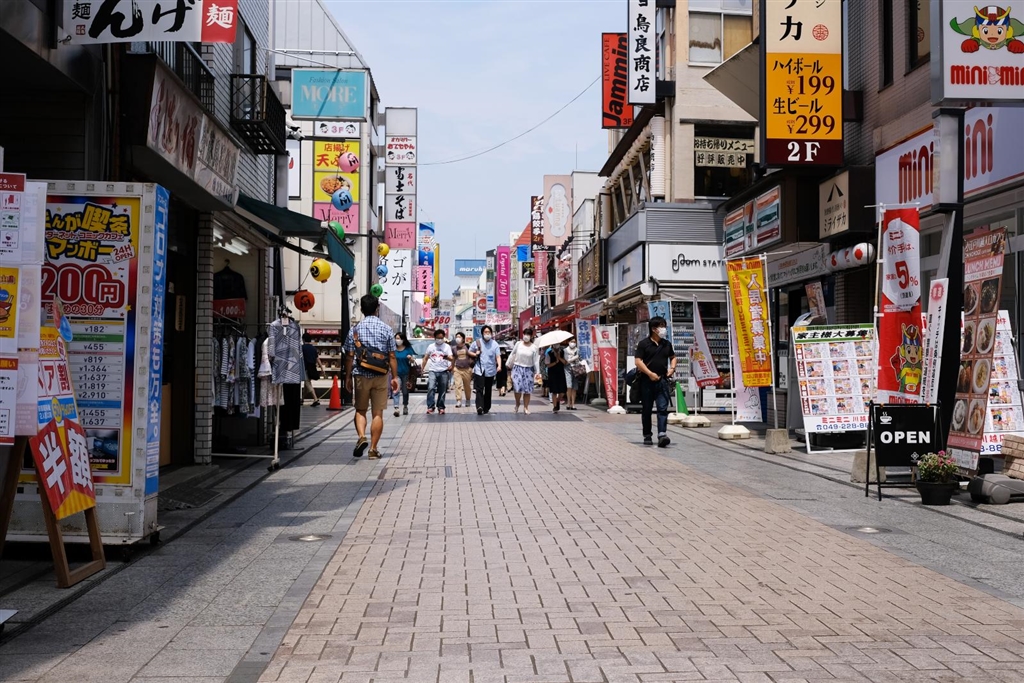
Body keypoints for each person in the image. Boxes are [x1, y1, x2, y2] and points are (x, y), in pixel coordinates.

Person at [343, 295, 400, 460]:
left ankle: (362, 436)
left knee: (360, 410)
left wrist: (347, 377)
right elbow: (392, 356)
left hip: (361, 374)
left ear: (361, 309)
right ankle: (373, 449)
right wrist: (394, 377)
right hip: (381, 375)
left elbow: (349, 356)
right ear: (377, 309)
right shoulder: (386, 329)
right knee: (377, 413)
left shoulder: (354, 330)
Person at [634, 316, 677, 447]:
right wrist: (650, 373)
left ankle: (662, 434)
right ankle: (647, 435)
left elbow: (673, 357)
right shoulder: (644, 344)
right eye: (661, 326)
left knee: (662, 408)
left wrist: (672, 369)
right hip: (646, 381)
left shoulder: (666, 344)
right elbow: (638, 361)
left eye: (664, 326)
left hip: (662, 381)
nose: (664, 329)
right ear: (654, 329)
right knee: (647, 409)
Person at [469, 325, 502, 415]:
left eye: (489, 332)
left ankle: (486, 407)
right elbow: (469, 351)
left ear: (491, 333)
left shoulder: (495, 344)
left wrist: (499, 366)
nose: (487, 334)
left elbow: (498, 356)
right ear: (482, 333)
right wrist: (475, 354)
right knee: (479, 389)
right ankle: (479, 406)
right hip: (479, 369)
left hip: (490, 369)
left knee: (488, 389)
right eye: (485, 332)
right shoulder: (477, 343)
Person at [509, 328, 542, 415]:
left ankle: (526, 407)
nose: (526, 336)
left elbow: (536, 360)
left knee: (527, 390)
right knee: (517, 388)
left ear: (531, 336)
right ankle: (517, 403)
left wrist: (537, 372)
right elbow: (512, 353)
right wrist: (508, 363)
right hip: (517, 367)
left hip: (528, 369)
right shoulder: (518, 344)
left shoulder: (534, 347)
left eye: (528, 334)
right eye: (525, 334)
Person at [422, 329, 453, 414]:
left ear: (444, 338)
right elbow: (425, 358)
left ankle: (441, 407)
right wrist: (422, 368)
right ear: (435, 338)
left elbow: (451, 358)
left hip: (443, 370)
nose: (439, 340)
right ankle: (430, 406)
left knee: (442, 390)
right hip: (433, 370)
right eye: (438, 338)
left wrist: (450, 364)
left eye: (441, 338)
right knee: (431, 387)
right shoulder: (431, 346)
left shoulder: (447, 347)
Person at [393, 332, 414, 417]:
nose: (397, 340)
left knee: (405, 391)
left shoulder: (408, 349)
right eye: (396, 338)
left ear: (403, 339)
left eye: (399, 338)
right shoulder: (393, 349)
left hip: (406, 373)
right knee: (396, 390)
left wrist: (410, 358)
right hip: (396, 373)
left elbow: (412, 361)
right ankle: (396, 408)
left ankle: (405, 405)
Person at [451, 332, 474, 408]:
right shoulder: (454, 348)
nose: (458, 338)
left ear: (463, 339)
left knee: (467, 386)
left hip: (467, 369)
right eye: (457, 337)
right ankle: (459, 400)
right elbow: (453, 358)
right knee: (458, 385)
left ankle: (468, 400)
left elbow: (471, 354)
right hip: (457, 369)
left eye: (459, 337)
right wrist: (452, 367)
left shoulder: (467, 346)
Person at [545, 341, 568, 413]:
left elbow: (565, 362)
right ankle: (555, 407)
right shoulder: (549, 353)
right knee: (554, 391)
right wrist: (556, 362)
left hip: (561, 373)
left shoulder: (563, 352)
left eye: (557, 344)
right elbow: (548, 365)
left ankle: (558, 400)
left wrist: (559, 358)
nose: (556, 345)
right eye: (555, 344)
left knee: (562, 391)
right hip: (552, 374)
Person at [301, 332, 323, 406]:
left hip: (305, 368)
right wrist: (322, 368)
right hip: (312, 368)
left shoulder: (302, 348)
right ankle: (302, 399)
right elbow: (317, 359)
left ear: (303, 339)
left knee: (307, 383)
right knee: (307, 384)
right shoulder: (313, 348)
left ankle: (315, 399)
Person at [564, 337, 580, 410]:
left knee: (574, 387)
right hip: (567, 369)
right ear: (568, 342)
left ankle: (573, 404)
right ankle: (568, 403)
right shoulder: (565, 350)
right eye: (572, 341)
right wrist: (573, 358)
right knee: (569, 386)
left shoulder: (577, 350)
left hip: (576, 369)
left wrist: (577, 358)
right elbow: (566, 361)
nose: (573, 343)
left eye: (574, 342)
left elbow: (580, 358)